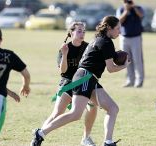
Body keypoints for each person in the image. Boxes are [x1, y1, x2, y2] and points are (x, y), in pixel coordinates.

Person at [30, 15, 130, 146]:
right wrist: (125, 65)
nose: (120, 31)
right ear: (109, 28)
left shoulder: (99, 39)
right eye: (117, 28)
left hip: (90, 78)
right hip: (85, 77)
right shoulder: (106, 42)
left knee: (113, 108)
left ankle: (108, 142)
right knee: (76, 114)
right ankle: (41, 133)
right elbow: (111, 68)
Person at [31, 22, 97, 146]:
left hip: (83, 82)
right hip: (68, 83)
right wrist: (65, 54)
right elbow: (63, 71)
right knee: (57, 113)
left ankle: (86, 138)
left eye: (83, 31)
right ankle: (39, 135)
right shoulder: (65, 48)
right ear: (71, 32)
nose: (82, 33)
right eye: (79, 31)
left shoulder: (88, 47)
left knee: (92, 107)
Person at [0, 25, 30, 145]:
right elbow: (26, 74)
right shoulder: (8, 55)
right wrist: (25, 86)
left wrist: (10, 92)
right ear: (0, 40)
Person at [116, 0, 144, 88]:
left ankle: (139, 80)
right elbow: (119, 21)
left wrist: (134, 8)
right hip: (124, 37)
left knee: (137, 59)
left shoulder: (138, 8)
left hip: (136, 37)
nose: (127, 3)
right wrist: (126, 11)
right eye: (126, 1)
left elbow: (141, 16)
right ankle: (130, 80)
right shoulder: (121, 9)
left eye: (129, 1)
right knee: (126, 59)